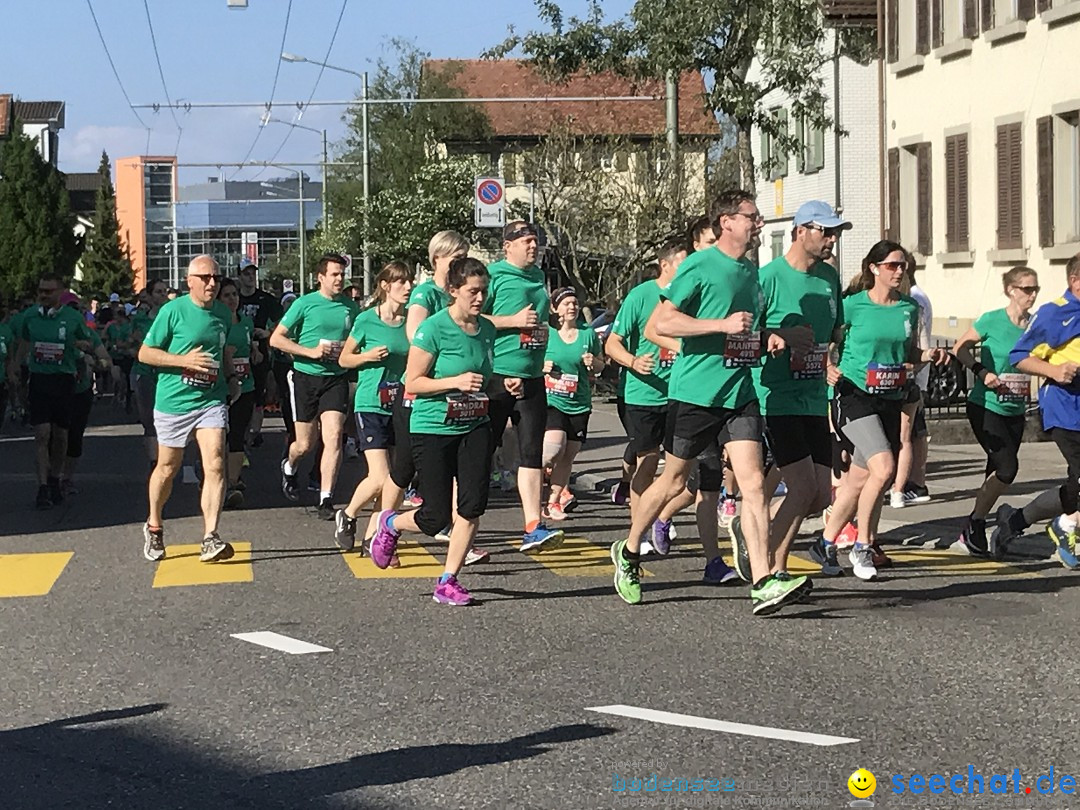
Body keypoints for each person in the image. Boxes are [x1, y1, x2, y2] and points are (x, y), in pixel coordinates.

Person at [610, 190, 799, 614]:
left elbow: (750, 326)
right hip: (696, 392)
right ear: (726, 221)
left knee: (752, 483)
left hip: (740, 392)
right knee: (675, 482)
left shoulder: (752, 271)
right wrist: (721, 325)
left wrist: (765, 337)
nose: (758, 223)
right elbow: (665, 321)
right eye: (752, 216)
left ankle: (764, 579)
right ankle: (629, 549)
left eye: (758, 217)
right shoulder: (699, 264)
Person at [812, 241, 948, 580]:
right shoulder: (851, 306)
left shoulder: (908, 308)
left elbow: (908, 354)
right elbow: (828, 343)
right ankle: (863, 545)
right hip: (854, 394)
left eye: (902, 266)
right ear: (873, 269)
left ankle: (825, 541)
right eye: (891, 265)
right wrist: (827, 366)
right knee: (884, 467)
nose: (899, 271)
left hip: (890, 397)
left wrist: (925, 357)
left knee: (860, 479)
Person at [368, 258, 498, 606]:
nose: (479, 298)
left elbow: (485, 375)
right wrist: (454, 381)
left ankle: (448, 580)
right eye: (472, 291)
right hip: (433, 427)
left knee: (471, 508)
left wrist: (504, 383)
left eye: (484, 291)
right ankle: (391, 524)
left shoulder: (486, 329)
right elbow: (412, 382)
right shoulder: (433, 329)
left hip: (474, 424)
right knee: (434, 516)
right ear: (453, 291)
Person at [749, 200, 848, 583]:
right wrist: (778, 338)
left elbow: (833, 333)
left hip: (813, 398)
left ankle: (757, 535)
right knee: (804, 487)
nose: (832, 239)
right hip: (776, 396)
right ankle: (774, 567)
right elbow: (745, 337)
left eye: (835, 231)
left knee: (821, 496)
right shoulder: (768, 278)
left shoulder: (829, 278)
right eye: (825, 231)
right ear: (800, 230)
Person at [138, 255, 234, 563]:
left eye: (216, 279)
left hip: (211, 398)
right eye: (205, 278)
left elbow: (222, 351)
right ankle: (154, 526)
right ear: (189, 281)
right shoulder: (172, 311)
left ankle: (210, 536)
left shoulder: (223, 313)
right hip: (174, 401)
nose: (212, 284)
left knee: (216, 462)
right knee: (168, 468)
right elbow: (145, 353)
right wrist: (184, 361)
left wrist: (231, 378)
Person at [484, 221, 564, 552]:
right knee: (478, 453)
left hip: (532, 377)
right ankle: (454, 520)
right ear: (508, 246)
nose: (534, 247)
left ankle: (533, 525)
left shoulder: (536, 277)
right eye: (528, 241)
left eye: (537, 241)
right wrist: (511, 322)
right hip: (496, 377)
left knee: (531, 453)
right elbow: (469, 319)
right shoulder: (494, 276)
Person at [953, 267, 1039, 555]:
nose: (1032, 294)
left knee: (995, 472)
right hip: (985, 405)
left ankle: (981, 527)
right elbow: (960, 348)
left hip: (1015, 408)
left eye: (1035, 289)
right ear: (1011, 290)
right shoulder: (992, 319)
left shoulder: (1035, 326)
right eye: (1027, 289)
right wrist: (981, 371)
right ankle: (975, 523)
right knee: (1007, 468)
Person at [1001, 254, 1080, 567]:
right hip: (1065, 408)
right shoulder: (1054, 313)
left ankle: (1015, 521)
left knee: (1075, 486)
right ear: (1075, 281)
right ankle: (1067, 525)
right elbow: (1018, 355)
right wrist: (1055, 370)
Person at [605, 243, 684, 544]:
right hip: (642, 394)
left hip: (680, 392)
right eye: (681, 262)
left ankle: (659, 517)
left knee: (679, 466)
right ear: (665, 265)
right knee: (648, 461)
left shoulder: (689, 296)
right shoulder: (640, 296)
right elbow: (612, 343)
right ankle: (638, 533)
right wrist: (634, 361)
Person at [271, 253, 360, 520]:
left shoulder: (350, 307)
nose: (339, 279)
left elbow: (359, 339)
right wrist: (309, 352)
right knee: (305, 444)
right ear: (320, 277)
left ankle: (326, 498)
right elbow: (277, 339)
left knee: (333, 436)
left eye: (341, 274)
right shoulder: (304, 304)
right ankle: (290, 465)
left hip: (336, 377)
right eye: (334, 274)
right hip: (305, 376)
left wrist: (348, 349)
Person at [334, 261, 414, 550]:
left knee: (394, 480)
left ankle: (372, 537)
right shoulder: (368, 319)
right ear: (385, 286)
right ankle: (348, 513)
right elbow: (344, 359)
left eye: (409, 282)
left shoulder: (410, 322)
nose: (407, 287)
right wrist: (366, 357)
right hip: (370, 403)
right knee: (380, 476)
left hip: (401, 405)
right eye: (401, 282)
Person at [8, 276, 94, 508]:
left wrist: (81, 348)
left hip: (64, 381)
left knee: (61, 435)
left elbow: (87, 342)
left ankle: (56, 478)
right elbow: (24, 341)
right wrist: (16, 365)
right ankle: (43, 487)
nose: (43, 295)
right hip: (40, 380)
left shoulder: (72, 318)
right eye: (41, 291)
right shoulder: (30, 317)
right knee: (42, 434)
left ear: (60, 292)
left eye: (48, 291)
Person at [542, 287, 604, 520]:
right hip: (552, 399)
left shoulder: (588, 334)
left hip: (579, 401)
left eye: (575, 303)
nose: (572, 307)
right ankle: (536, 476)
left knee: (568, 456)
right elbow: (531, 361)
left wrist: (593, 363)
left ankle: (553, 502)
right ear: (555, 308)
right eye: (566, 303)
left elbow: (600, 366)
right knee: (552, 450)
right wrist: (543, 367)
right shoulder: (547, 333)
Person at [889, 259, 933, 507]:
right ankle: (910, 483)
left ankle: (912, 484)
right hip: (909, 378)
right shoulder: (913, 297)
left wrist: (915, 365)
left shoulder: (913, 300)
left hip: (910, 379)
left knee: (911, 434)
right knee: (912, 432)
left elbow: (921, 344)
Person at [62, 296, 113, 495]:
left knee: (74, 436)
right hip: (57, 388)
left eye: (78, 311)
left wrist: (94, 361)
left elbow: (106, 361)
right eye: (70, 310)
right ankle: (52, 476)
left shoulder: (90, 336)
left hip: (80, 390)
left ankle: (66, 477)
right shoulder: (54, 333)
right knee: (53, 434)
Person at [218, 277, 259, 508]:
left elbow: (250, 345)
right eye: (227, 295)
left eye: (234, 294)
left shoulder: (245, 322)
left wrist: (255, 353)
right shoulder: (216, 323)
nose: (232, 299)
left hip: (246, 384)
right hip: (221, 387)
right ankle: (214, 478)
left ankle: (231, 484)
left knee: (237, 436)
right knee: (218, 437)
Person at [237, 258, 283, 448]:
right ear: (239, 276)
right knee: (239, 394)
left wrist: (269, 332)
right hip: (237, 350)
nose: (250, 277)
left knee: (257, 394)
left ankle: (252, 434)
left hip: (260, 352)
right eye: (246, 273)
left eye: (253, 273)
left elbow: (283, 321)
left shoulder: (265, 299)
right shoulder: (232, 297)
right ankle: (240, 431)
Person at [131, 279, 170, 463]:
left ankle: (169, 457)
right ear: (150, 295)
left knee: (170, 417)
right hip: (145, 371)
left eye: (164, 291)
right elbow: (131, 345)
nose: (162, 295)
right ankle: (155, 462)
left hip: (168, 373)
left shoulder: (173, 317)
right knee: (149, 419)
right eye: (158, 292)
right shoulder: (140, 320)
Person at [104, 307, 135, 412]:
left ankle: (125, 398)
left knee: (126, 379)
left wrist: (121, 345)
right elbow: (105, 337)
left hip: (125, 356)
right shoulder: (111, 327)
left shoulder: (127, 327)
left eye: (118, 315)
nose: (116, 318)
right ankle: (117, 395)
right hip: (114, 356)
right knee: (117, 377)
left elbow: (130, 341)